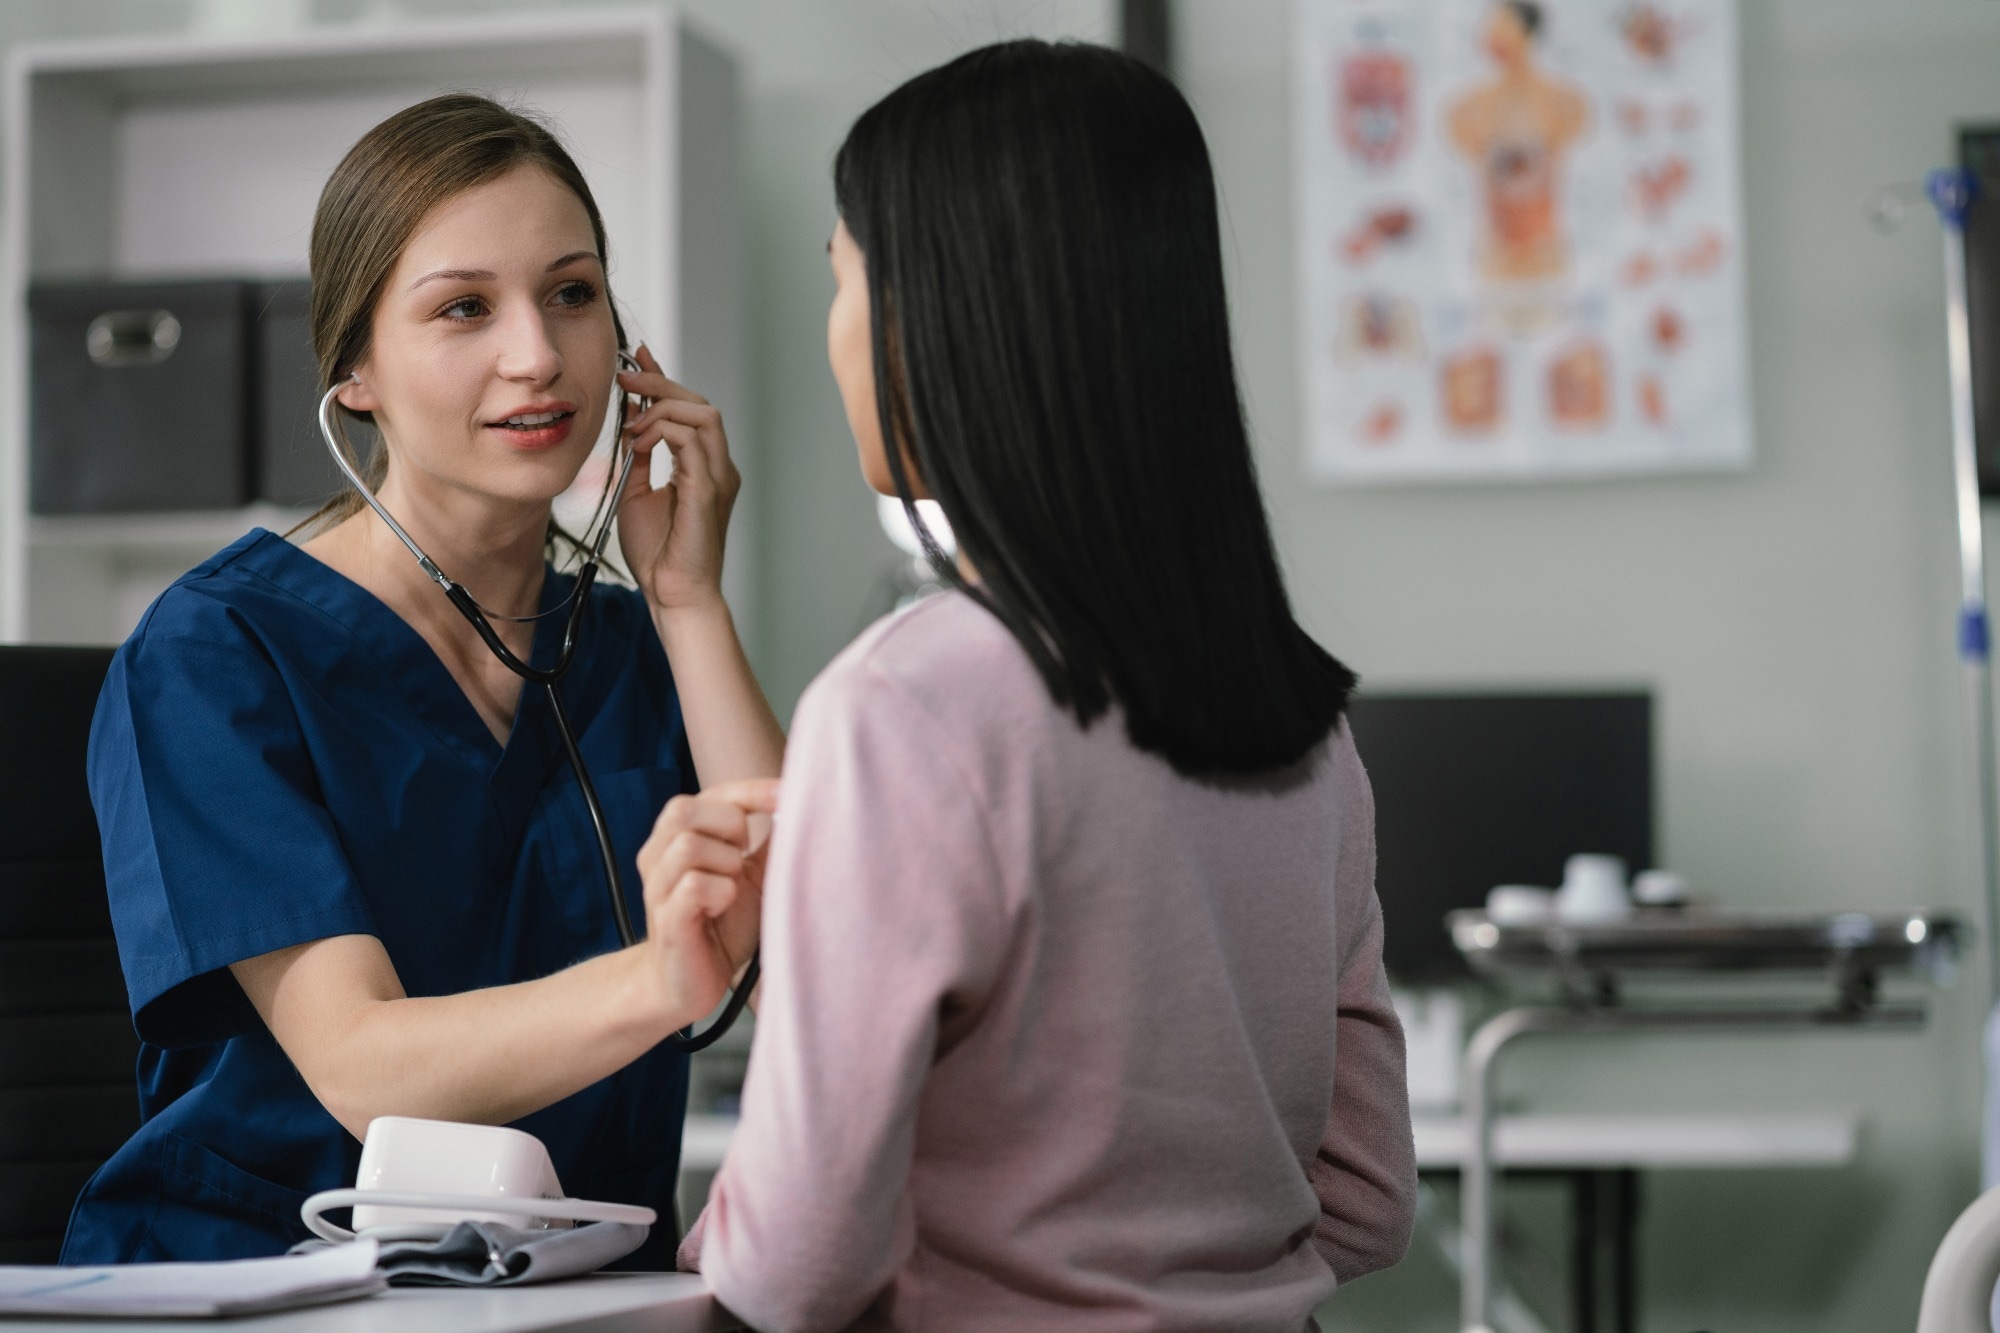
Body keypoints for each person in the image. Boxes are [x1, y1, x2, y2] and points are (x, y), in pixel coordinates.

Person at [640, 39, 1417, 1331]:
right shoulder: (1304, 728)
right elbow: (1367, 1198)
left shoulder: (905, 707)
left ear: (932, 315)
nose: (836, 333)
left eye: (842, 279)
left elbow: (796, 1267)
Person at [62, 94, 782, 1268]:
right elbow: (363, 1065)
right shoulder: (215, 652)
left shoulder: (631, 644)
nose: (538, 355)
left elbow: (816, 984)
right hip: (266, 1283)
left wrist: (690, 602)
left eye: (572, 293)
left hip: (568, 1291)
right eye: (463, 308)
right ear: (355, 369)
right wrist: (661, 976)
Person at [1446, 0, 1591, 285]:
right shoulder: (1468, 106)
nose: (1490, 35)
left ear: (1526, 34)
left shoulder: (1565, 102)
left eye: (1502, 26)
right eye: (1491, 26)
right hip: (1495, 256)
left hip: (1546, 252)